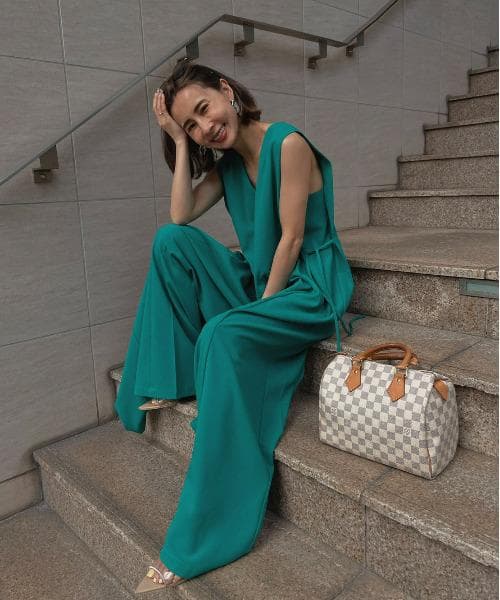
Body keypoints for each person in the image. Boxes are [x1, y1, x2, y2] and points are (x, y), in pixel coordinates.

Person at [114, 58, 361, 593]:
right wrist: (178, 143)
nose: (207, 127)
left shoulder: (287, 144)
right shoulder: (225, 165)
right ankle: (175, 376)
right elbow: (180, 216)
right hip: (262, 279)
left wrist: (257, 314)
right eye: (192, 124)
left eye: (205, 109)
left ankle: (209, 533)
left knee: (224, 333)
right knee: (170, 241)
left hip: (308, 286)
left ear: (227, 91)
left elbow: (291, 240)